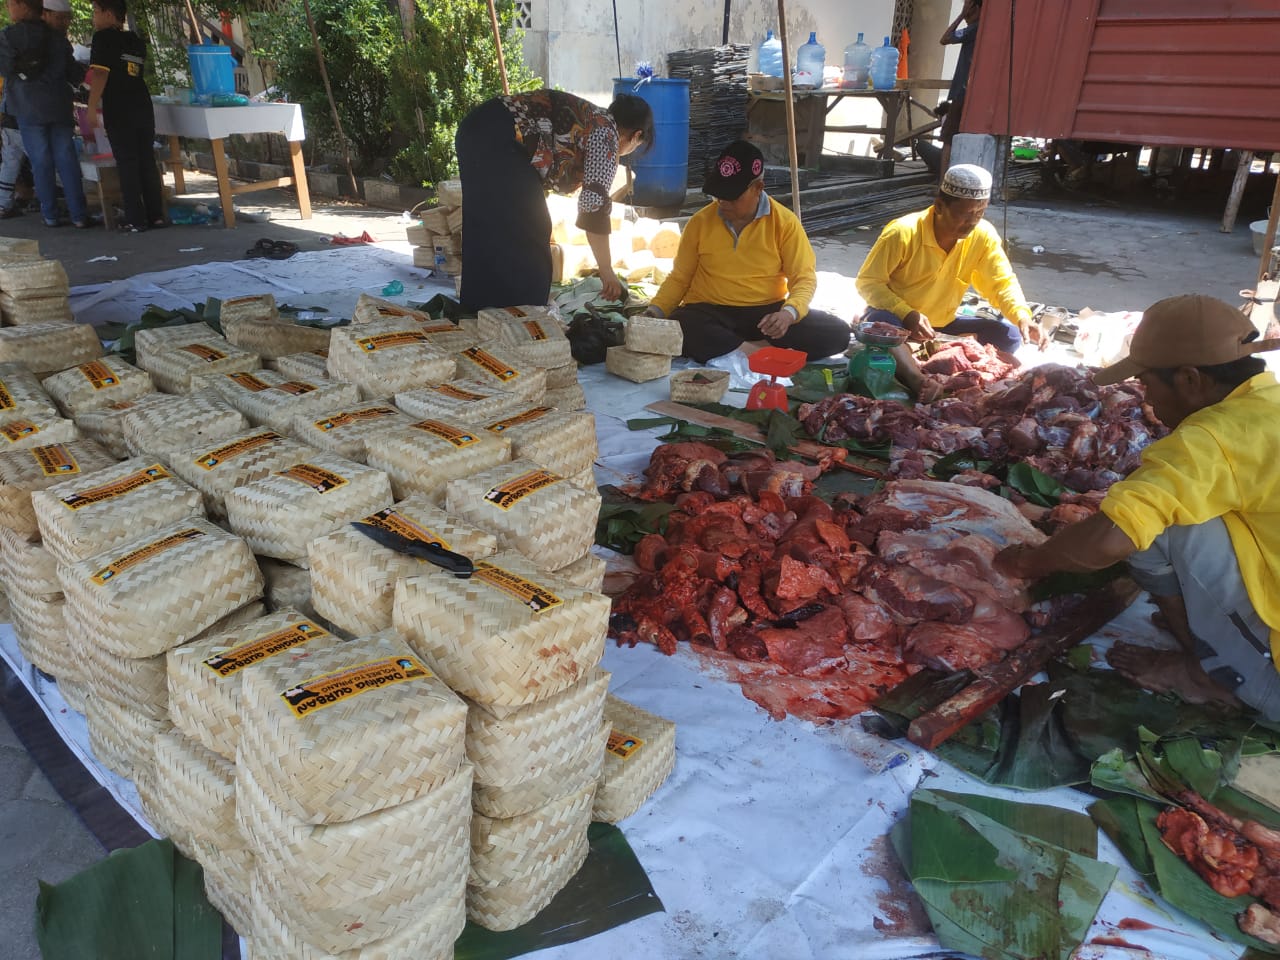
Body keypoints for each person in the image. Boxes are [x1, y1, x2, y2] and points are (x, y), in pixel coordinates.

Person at [994, 294, 1280, 721]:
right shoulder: (1266, 405)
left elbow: (1109, 540)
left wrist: (1027, 564)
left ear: (1189, 379)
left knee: (1155, 525)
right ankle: (1217, 636)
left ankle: (1209, 675)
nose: (1146, 399)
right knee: (1188, 507)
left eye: (1147, 383)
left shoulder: (1214, 438)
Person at [644, 139, 850, 364]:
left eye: (731, 196)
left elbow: (804, 279)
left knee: (837, 333)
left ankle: (738, 348)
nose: (723, 202)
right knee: (681, 325)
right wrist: (655, 311)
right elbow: (679, 278)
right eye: (718, 195)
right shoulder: (700, 222)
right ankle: (756, 352)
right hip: (711, 312)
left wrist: (788, 314)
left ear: (757, 188)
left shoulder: (785, 223)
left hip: (766, 315)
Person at [455, 89, 652, 311]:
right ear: (636, 136)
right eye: (636, 145)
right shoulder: (606, 135)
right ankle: (524, 316)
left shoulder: (592, 119)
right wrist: (606, 270)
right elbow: (593, 207)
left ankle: (479, 312)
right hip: (501, 138)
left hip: (476, 129)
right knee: (533, 228)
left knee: (488, 224)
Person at [856, 163, 1039, 391]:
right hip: (899, 319)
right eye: (965, 214)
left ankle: (955, 368)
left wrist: (1022, 316)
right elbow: (868, 283)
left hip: (944, 325)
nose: (972, 222)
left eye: (979, 213)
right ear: (940, 206)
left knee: (1009, 334)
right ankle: (917, 379)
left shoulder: (983, 235)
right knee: (881, 325)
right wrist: (908, 313)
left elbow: (1001, 282)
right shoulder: (902, 232)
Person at [0, 0, 89, 228]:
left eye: (11, 4)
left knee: (40, 161)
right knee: (66, 159)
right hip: (59, 105)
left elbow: (5, 69)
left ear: (23, 6)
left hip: (26, 107)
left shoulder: (9, 36)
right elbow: (73, 73)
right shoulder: (57, 38)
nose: (8, 9)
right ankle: (79, 214)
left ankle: (50, 214)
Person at [85, 0, 164, 232]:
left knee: (128, 162)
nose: (94, 18)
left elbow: (99, 74)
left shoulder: (103, 39)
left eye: (96, 12)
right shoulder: (136, 41)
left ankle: (135, 219)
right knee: (146, 161)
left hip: (119, 108)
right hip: (142, 104)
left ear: (109, 14)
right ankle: (156, 215)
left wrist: (91, 107)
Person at [937, 0, 981, 173]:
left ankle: (942, 185)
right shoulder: (979, 29)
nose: (966, 17)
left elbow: (945, 38)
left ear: (976, 9)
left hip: (962, 92)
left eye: (969, 11)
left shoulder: (975, 28)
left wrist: (961, 15)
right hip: (969, 92)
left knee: (948, 138)